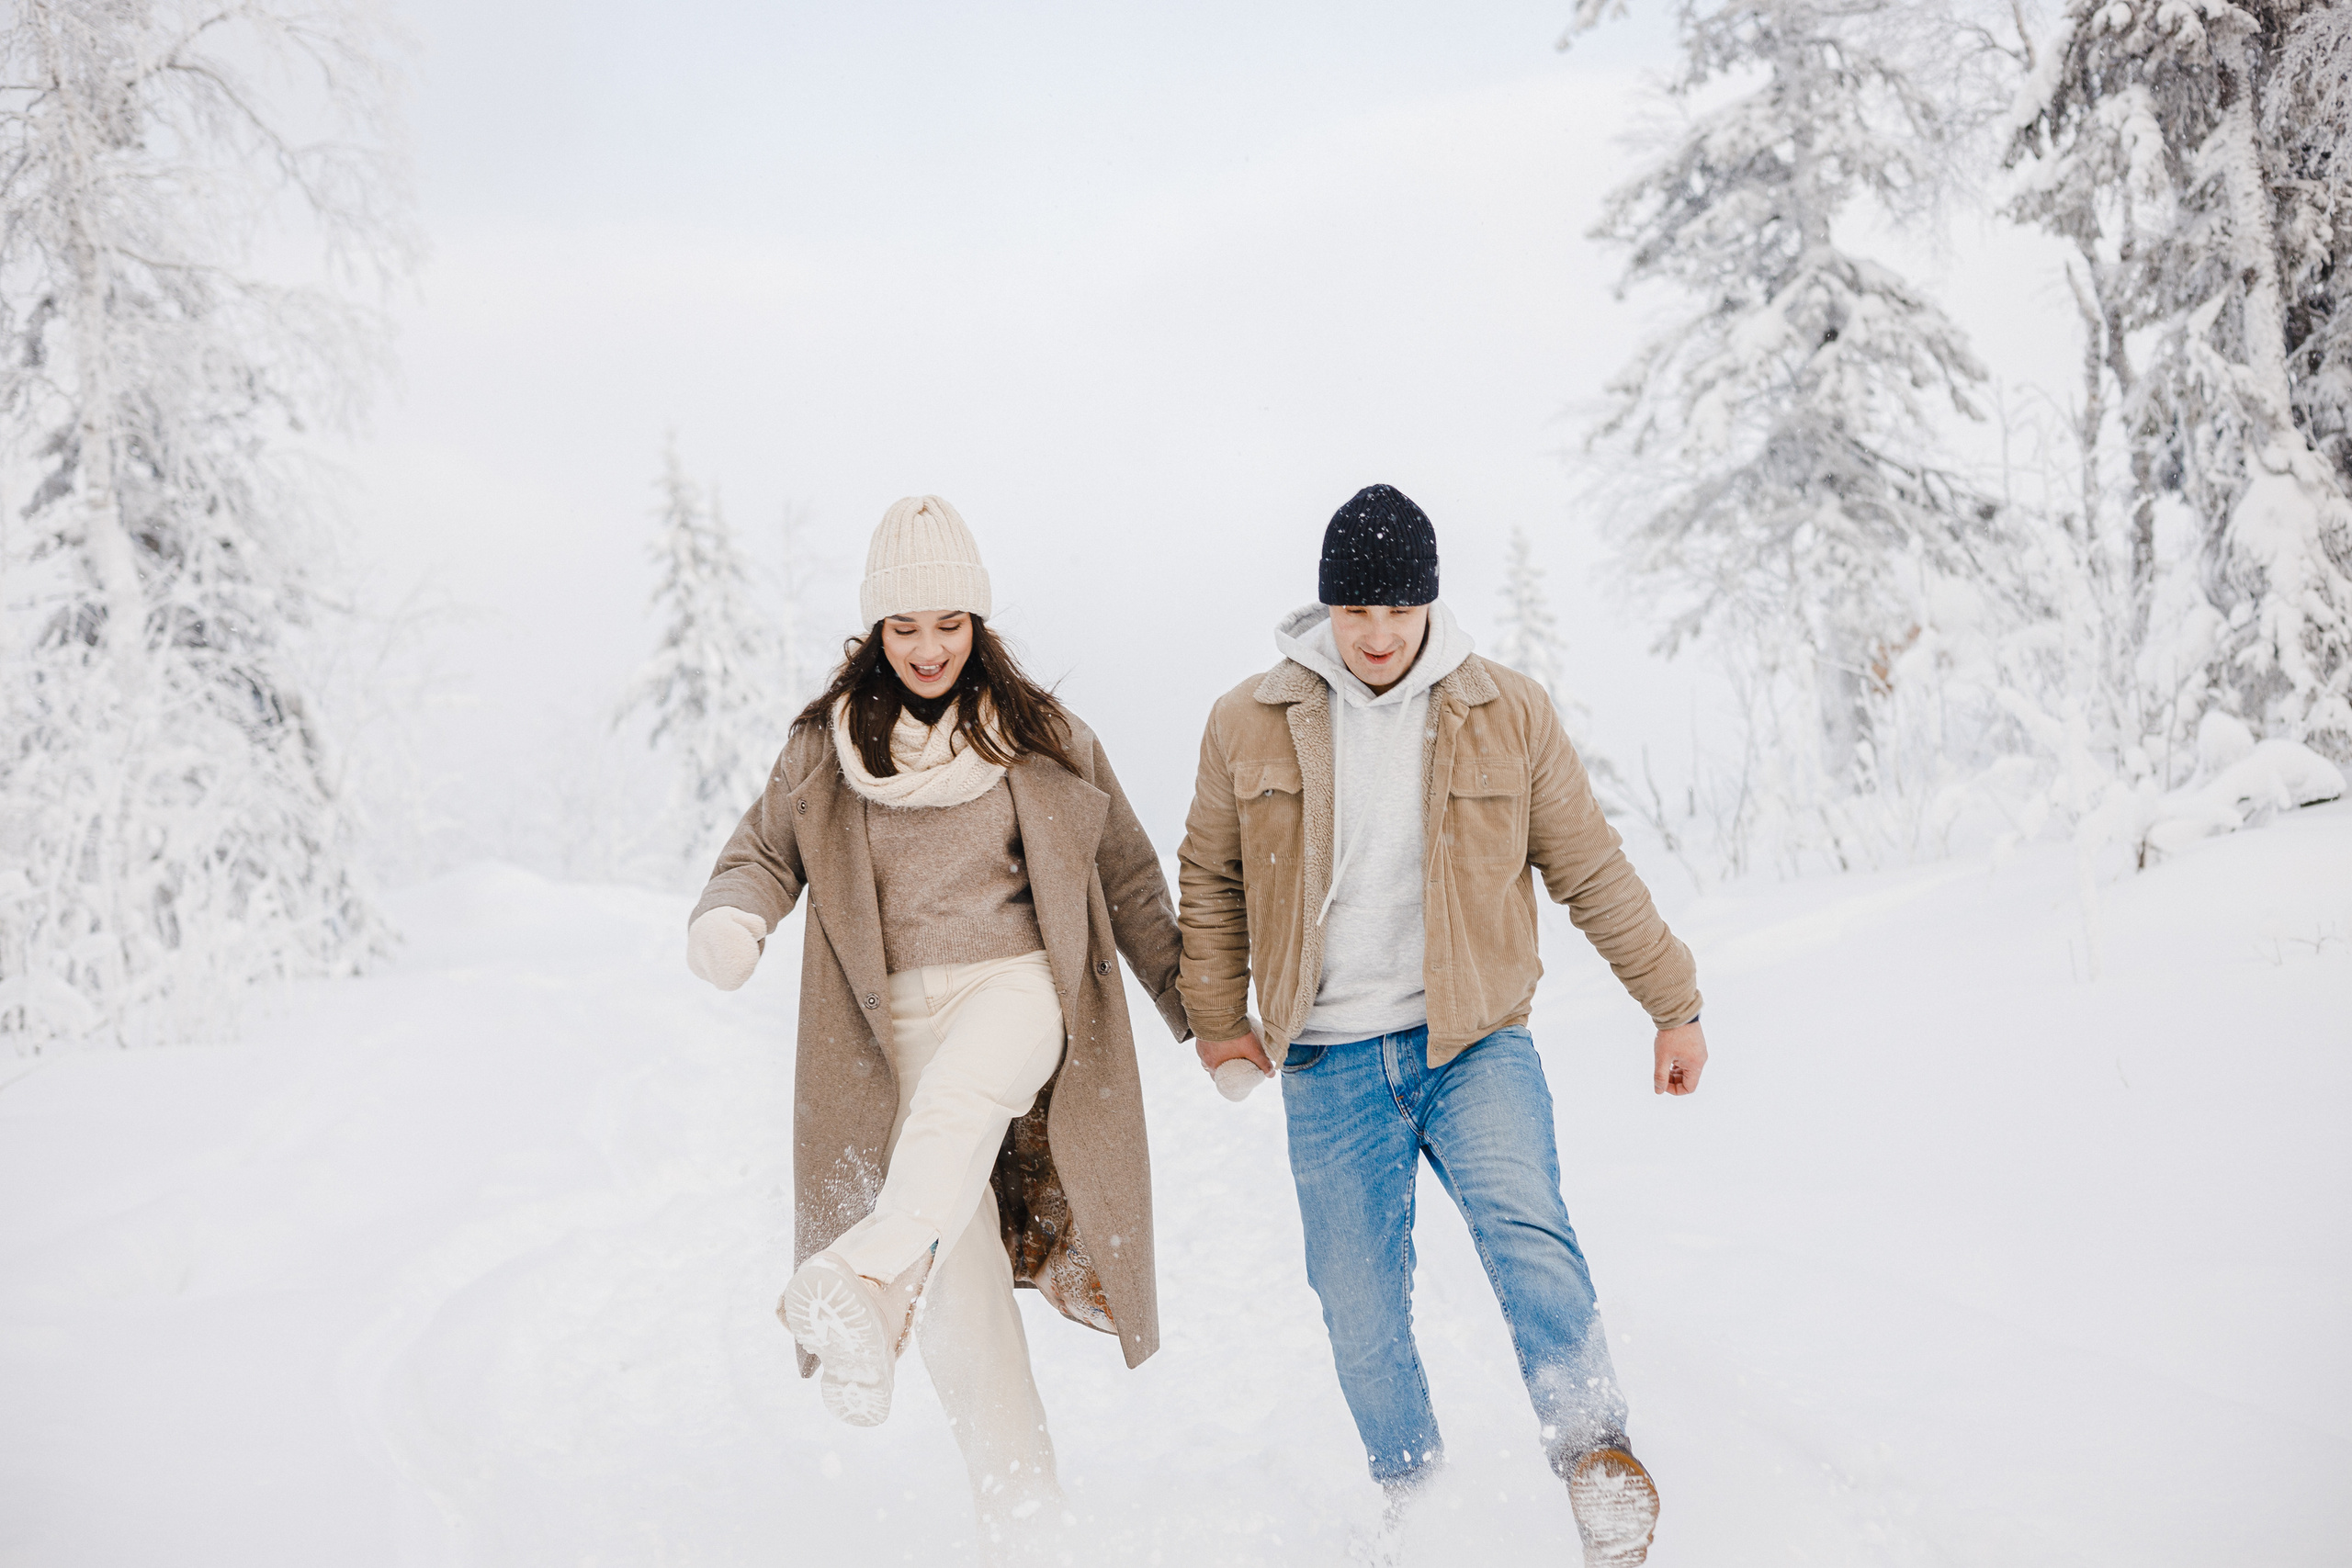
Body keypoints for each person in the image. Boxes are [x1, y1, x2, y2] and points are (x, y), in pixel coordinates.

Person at [1175, 484, 1708, 1567]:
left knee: (1529, 1235)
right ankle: (1416, 1501)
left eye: (1397, 613)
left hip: (1470, 1042)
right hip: (1324, 1059)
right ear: (1326, 610)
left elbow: (1588, 867)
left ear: (1430, 606)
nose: (1375, 637)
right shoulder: (1248, 720)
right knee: (1357, 1303)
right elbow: (1211, 880)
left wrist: (1672, 1004)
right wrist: (1218, 1020)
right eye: (1355, 614)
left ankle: (1596, 1457)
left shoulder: (1503, 711)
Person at [685, 495, 1188, 1548]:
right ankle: (1026, 1518)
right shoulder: (827, 753)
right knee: (960, 1297)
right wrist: (734, 918)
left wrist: (1203, 1013)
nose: (927, 648)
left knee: (965, 1101)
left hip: (1018, 989)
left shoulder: (1042, 738)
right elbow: (760, 853)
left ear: (978, 624)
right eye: (904, 627)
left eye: (948, 624)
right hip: (890, 1028)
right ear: (875, 630)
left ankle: (866, 1275)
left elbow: (1130, 877)